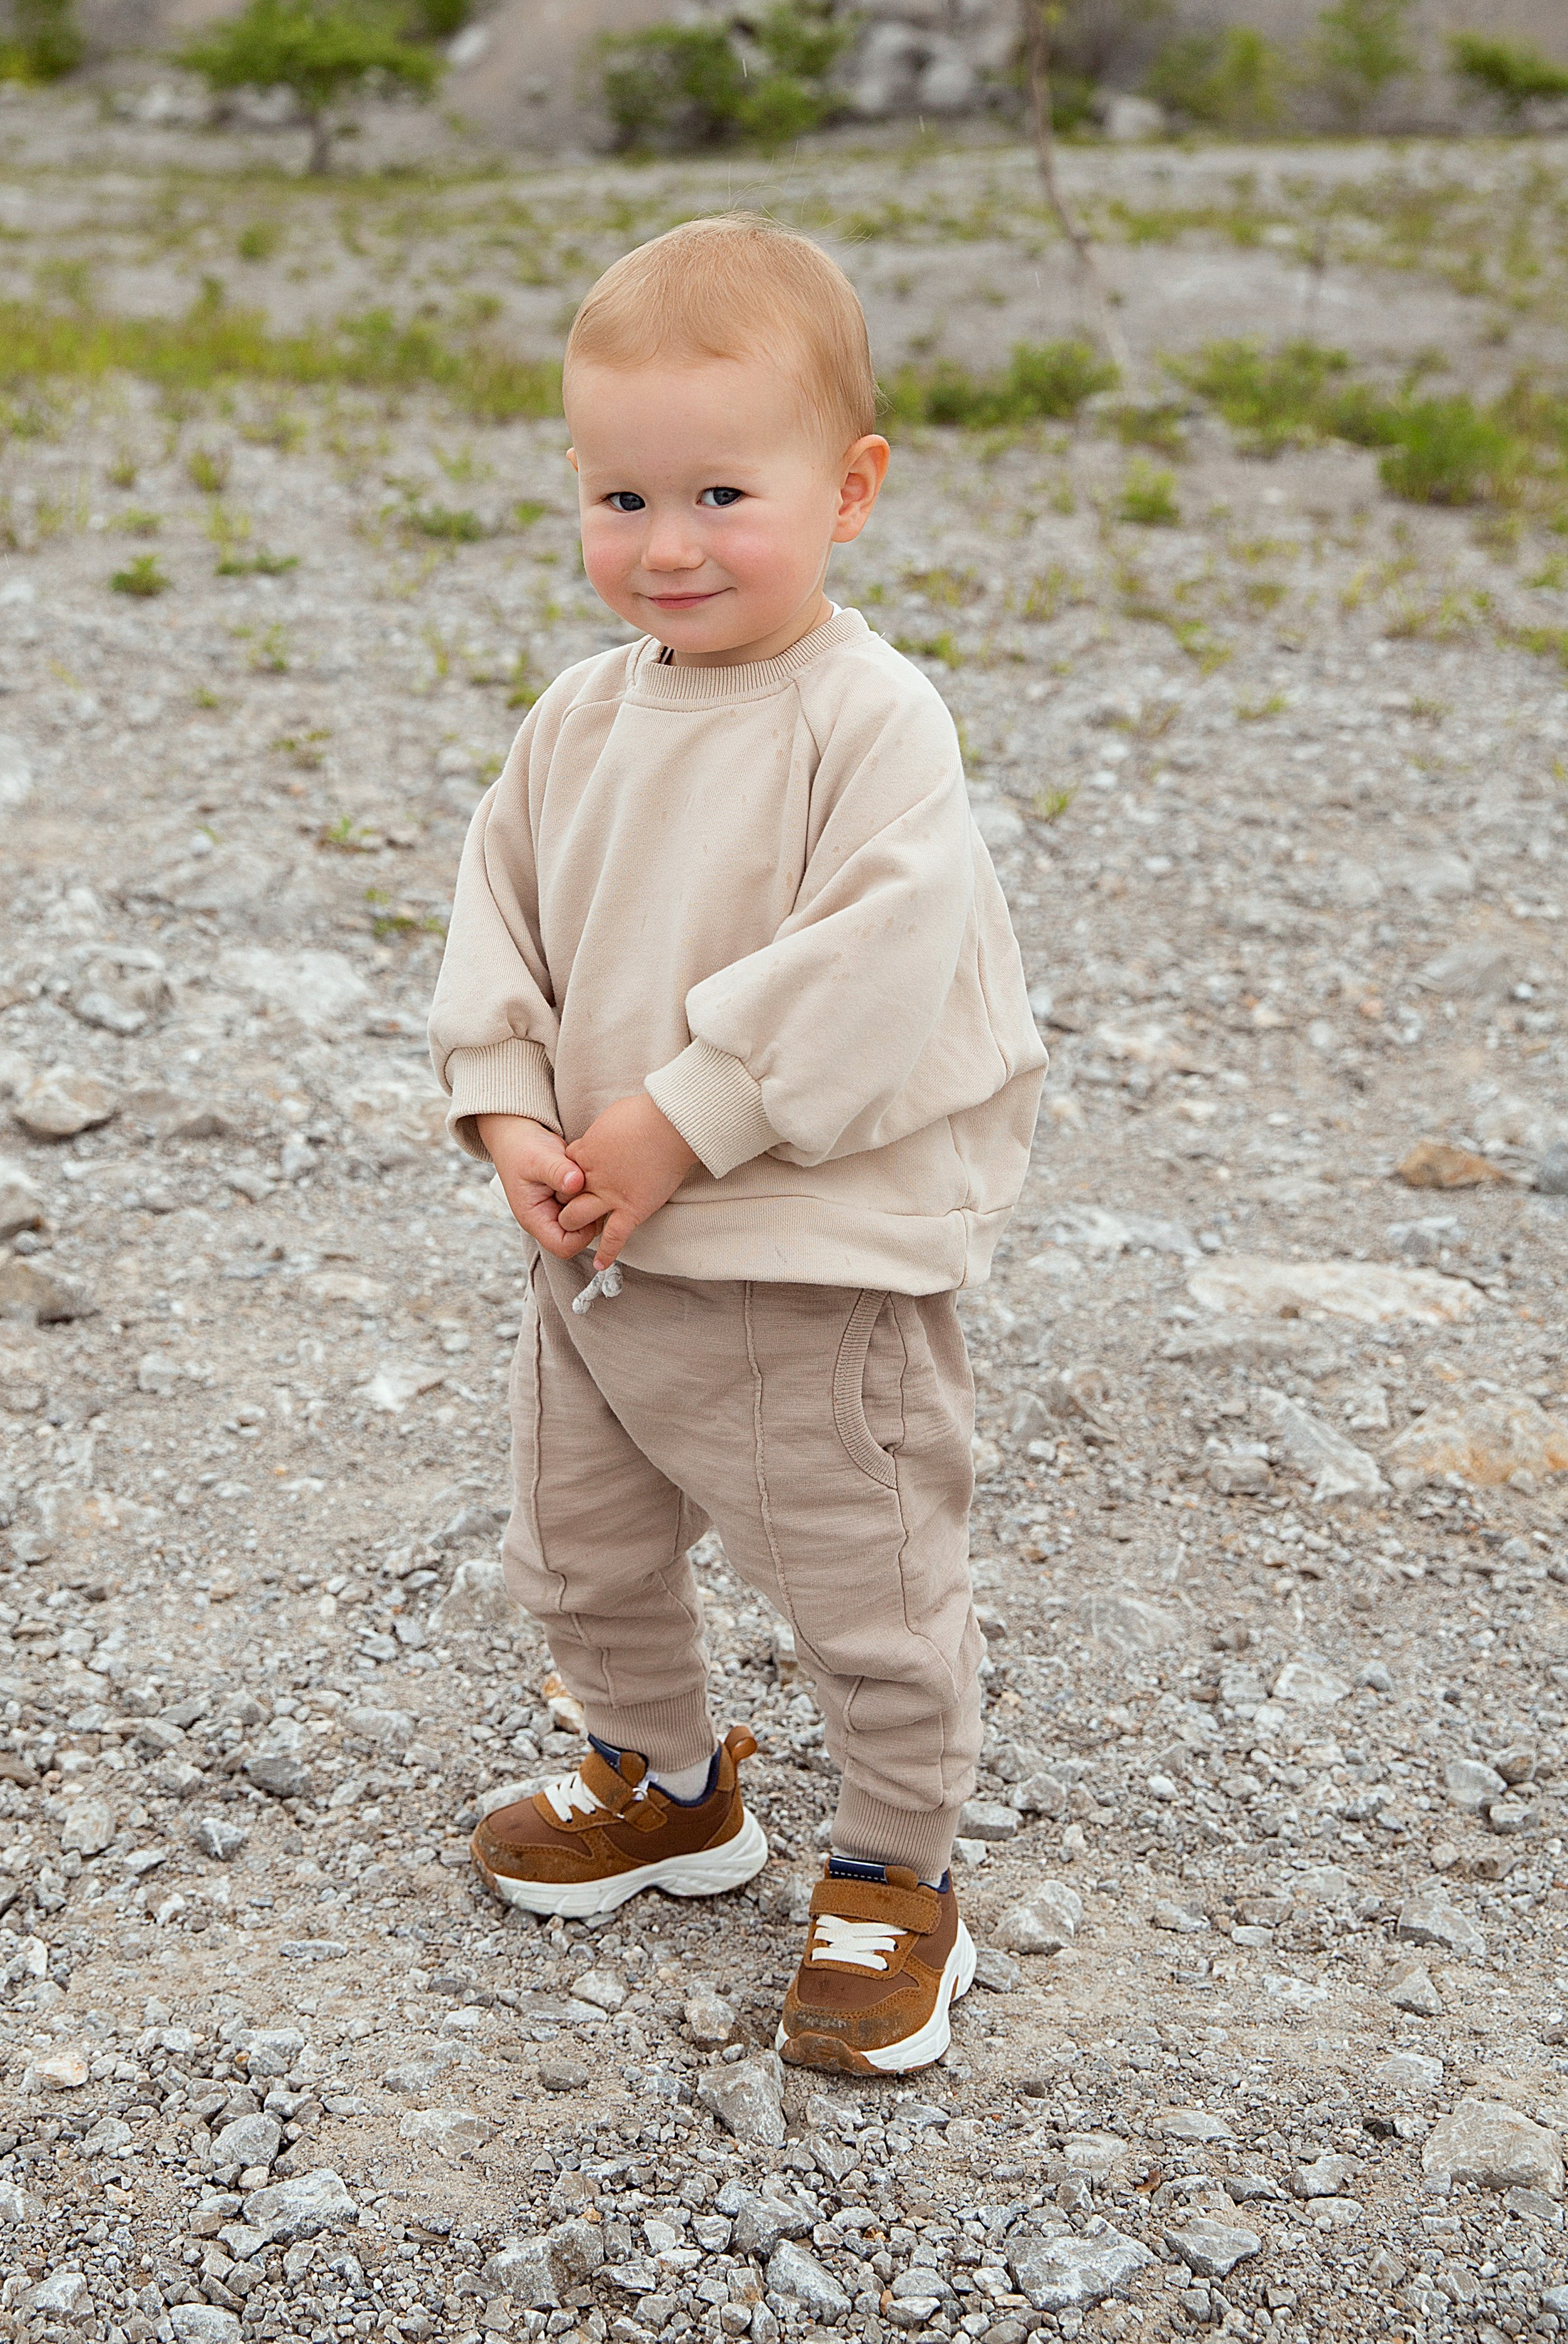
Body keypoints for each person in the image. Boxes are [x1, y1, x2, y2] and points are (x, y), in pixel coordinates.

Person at [428, 214, 1045, 2075]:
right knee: (582, 1551)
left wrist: (685, 1113)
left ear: (850, 489)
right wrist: (509, 1100)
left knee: (862, 1571)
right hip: (604, 1258)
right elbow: (499, 916)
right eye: (621, 496)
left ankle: (893, 1866)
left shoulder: (874, 724)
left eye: (720, 491)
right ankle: (671, 1785)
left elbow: (877, 965)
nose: (668, 544)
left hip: (803, 1268)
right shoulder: (578, 719)